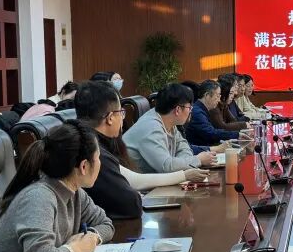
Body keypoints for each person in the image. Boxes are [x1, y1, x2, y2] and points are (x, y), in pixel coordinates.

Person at [0, 121, 114, 252]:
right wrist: (78, 248)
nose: (100, 164)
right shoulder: (39, 197)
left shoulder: (75, 192)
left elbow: (106, 224)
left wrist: (91, 237)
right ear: (84, 166)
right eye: (98, 158)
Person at [76, 80, 208, 219]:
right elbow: (131, 203)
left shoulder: (93, 141)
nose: (122, 119)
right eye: (121, 112)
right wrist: (187, 172)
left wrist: (185, 174)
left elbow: (134, 180)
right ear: (110, 118)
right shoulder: (94, 152)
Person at [123, 83, 216, 173]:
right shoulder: (150, 127)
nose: (191, 111)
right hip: (133, 182)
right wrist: (198, 160)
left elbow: (183, 147)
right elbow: (166, 166)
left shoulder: (169, 121)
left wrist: (182, 163)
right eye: (189, 108)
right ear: (178, 110)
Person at [188, 79, 245, 146]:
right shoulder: (197, 112)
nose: (219, 100)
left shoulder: (202, 109)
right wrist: (237, 135)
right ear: (207, 95)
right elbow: (211, 133)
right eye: (217, 96)